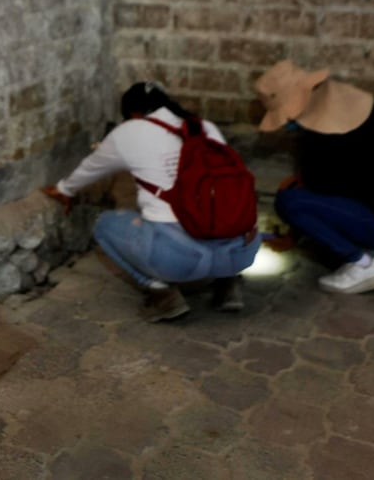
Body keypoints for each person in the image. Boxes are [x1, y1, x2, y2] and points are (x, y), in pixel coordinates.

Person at [42, 82, 261, 322]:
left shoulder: (130, 131)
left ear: (133, 113)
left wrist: (63, 190)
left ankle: (162, 294)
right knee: (217, 212)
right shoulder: (204, 126)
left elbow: (88, 171)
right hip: (240, 251)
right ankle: (229, 284)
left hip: (180, 260)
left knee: (103, 223)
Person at [254, 60, 374, 295]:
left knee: (290, 202)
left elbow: (321, 187)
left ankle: (363, 264)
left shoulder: (321, 140)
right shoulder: (369, 111)